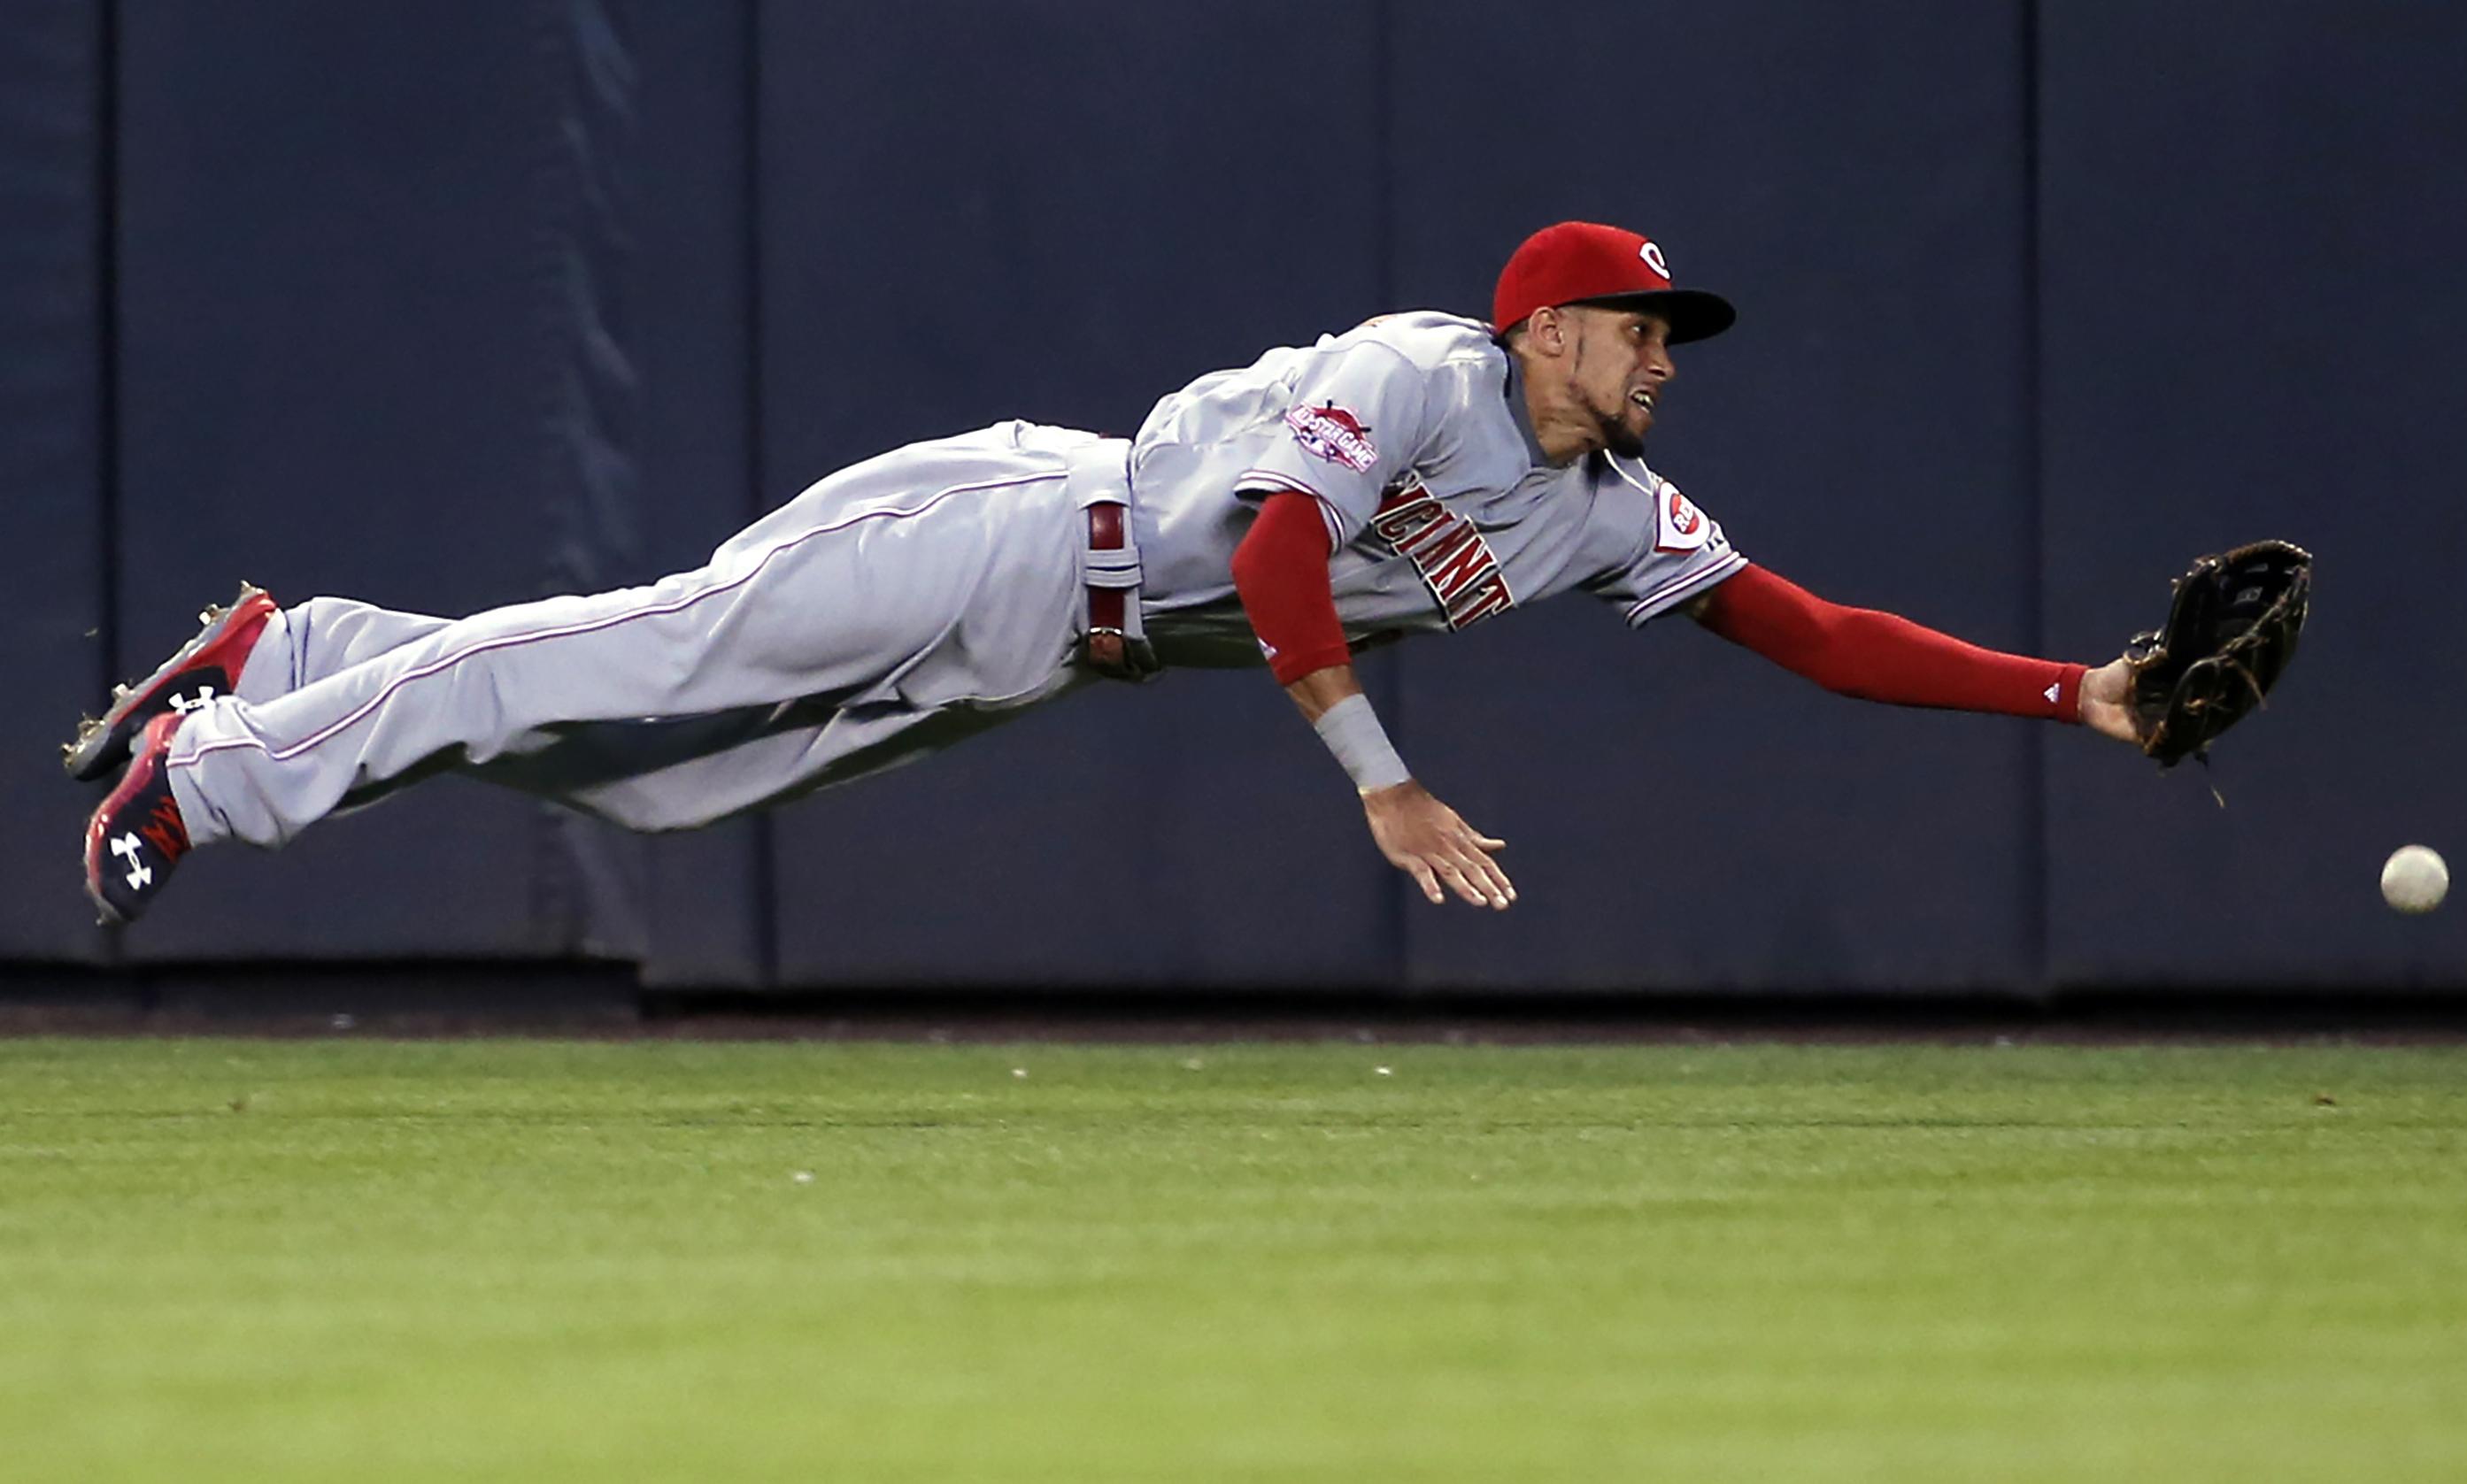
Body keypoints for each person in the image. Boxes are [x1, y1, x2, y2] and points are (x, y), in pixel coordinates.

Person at [73, 220, 2141, 926]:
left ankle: (308, 650)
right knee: (649, 645)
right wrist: (1375, 775)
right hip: (1007, 525)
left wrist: (2080, 692)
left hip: (1058, 650)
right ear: (1537, 329)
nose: (1659, 351)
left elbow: (1816, 631)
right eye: (1632, 322)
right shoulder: (1419, 374)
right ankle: (218, 767)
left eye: (1666, 329)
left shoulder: (1608, 513)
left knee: (648, 776)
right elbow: (1281, 549)